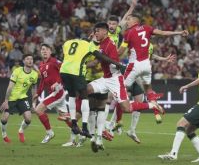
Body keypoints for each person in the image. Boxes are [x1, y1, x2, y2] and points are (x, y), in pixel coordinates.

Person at [87, 22, 163, 152]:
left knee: (126, 108)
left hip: (116, 80)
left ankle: (151, 105)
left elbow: (104, 59)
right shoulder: (101, 44)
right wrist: (84, 64)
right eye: (95, 31)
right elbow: (97, 60)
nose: (95, 33)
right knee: (87, 90)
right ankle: (97, 135)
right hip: (105, 79)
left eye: (98, 31)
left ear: (105, 32)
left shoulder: (109, 44)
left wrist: (96, 51)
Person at [118, 13, 188, 123]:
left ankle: (119, 120)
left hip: (134, 65)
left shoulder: (128, 33)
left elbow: (121, 52)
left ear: (135, 21)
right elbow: (163, 33)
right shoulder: (147, 28)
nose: (127, 22)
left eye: (128, 19)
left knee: (120, 89)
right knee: (148, 89)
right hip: (146, 65)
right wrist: (179, 32)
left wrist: (108, 55)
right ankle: (155, 106)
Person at [60, 34, 122, 138]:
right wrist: (118, 64)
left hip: (64, 71)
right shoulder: (89, 45)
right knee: (85, 98)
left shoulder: (68, 43)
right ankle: (84, 127)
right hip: (77, 73)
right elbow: (102, 57)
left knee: (71, 96)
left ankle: (74, 123)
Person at [32, 44, 67, 144]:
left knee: (38, 110)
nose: (44, 51)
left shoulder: (54, 61)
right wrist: (38, 93)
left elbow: (64, 71)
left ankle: (49, 132)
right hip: (54, 93)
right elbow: (43, 81)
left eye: (47, 49)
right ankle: (78, 134)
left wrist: (58, 82)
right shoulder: (41, 65)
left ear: (50, 52)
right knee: (65, 116)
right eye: (42, 49)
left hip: (58, 91)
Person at [0, 54, 38, 143]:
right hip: (12, 98)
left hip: (22, 98)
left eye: (31, 59)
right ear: (24, 61)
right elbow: (10, 87)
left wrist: (33, 104)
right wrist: (6, 101)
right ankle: (4, 134)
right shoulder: (17, 71)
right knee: (4, 119)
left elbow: (34, 89)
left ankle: (21, 131)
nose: (30, 61)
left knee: (28, 119)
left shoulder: (35, 74)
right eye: (27, 59)